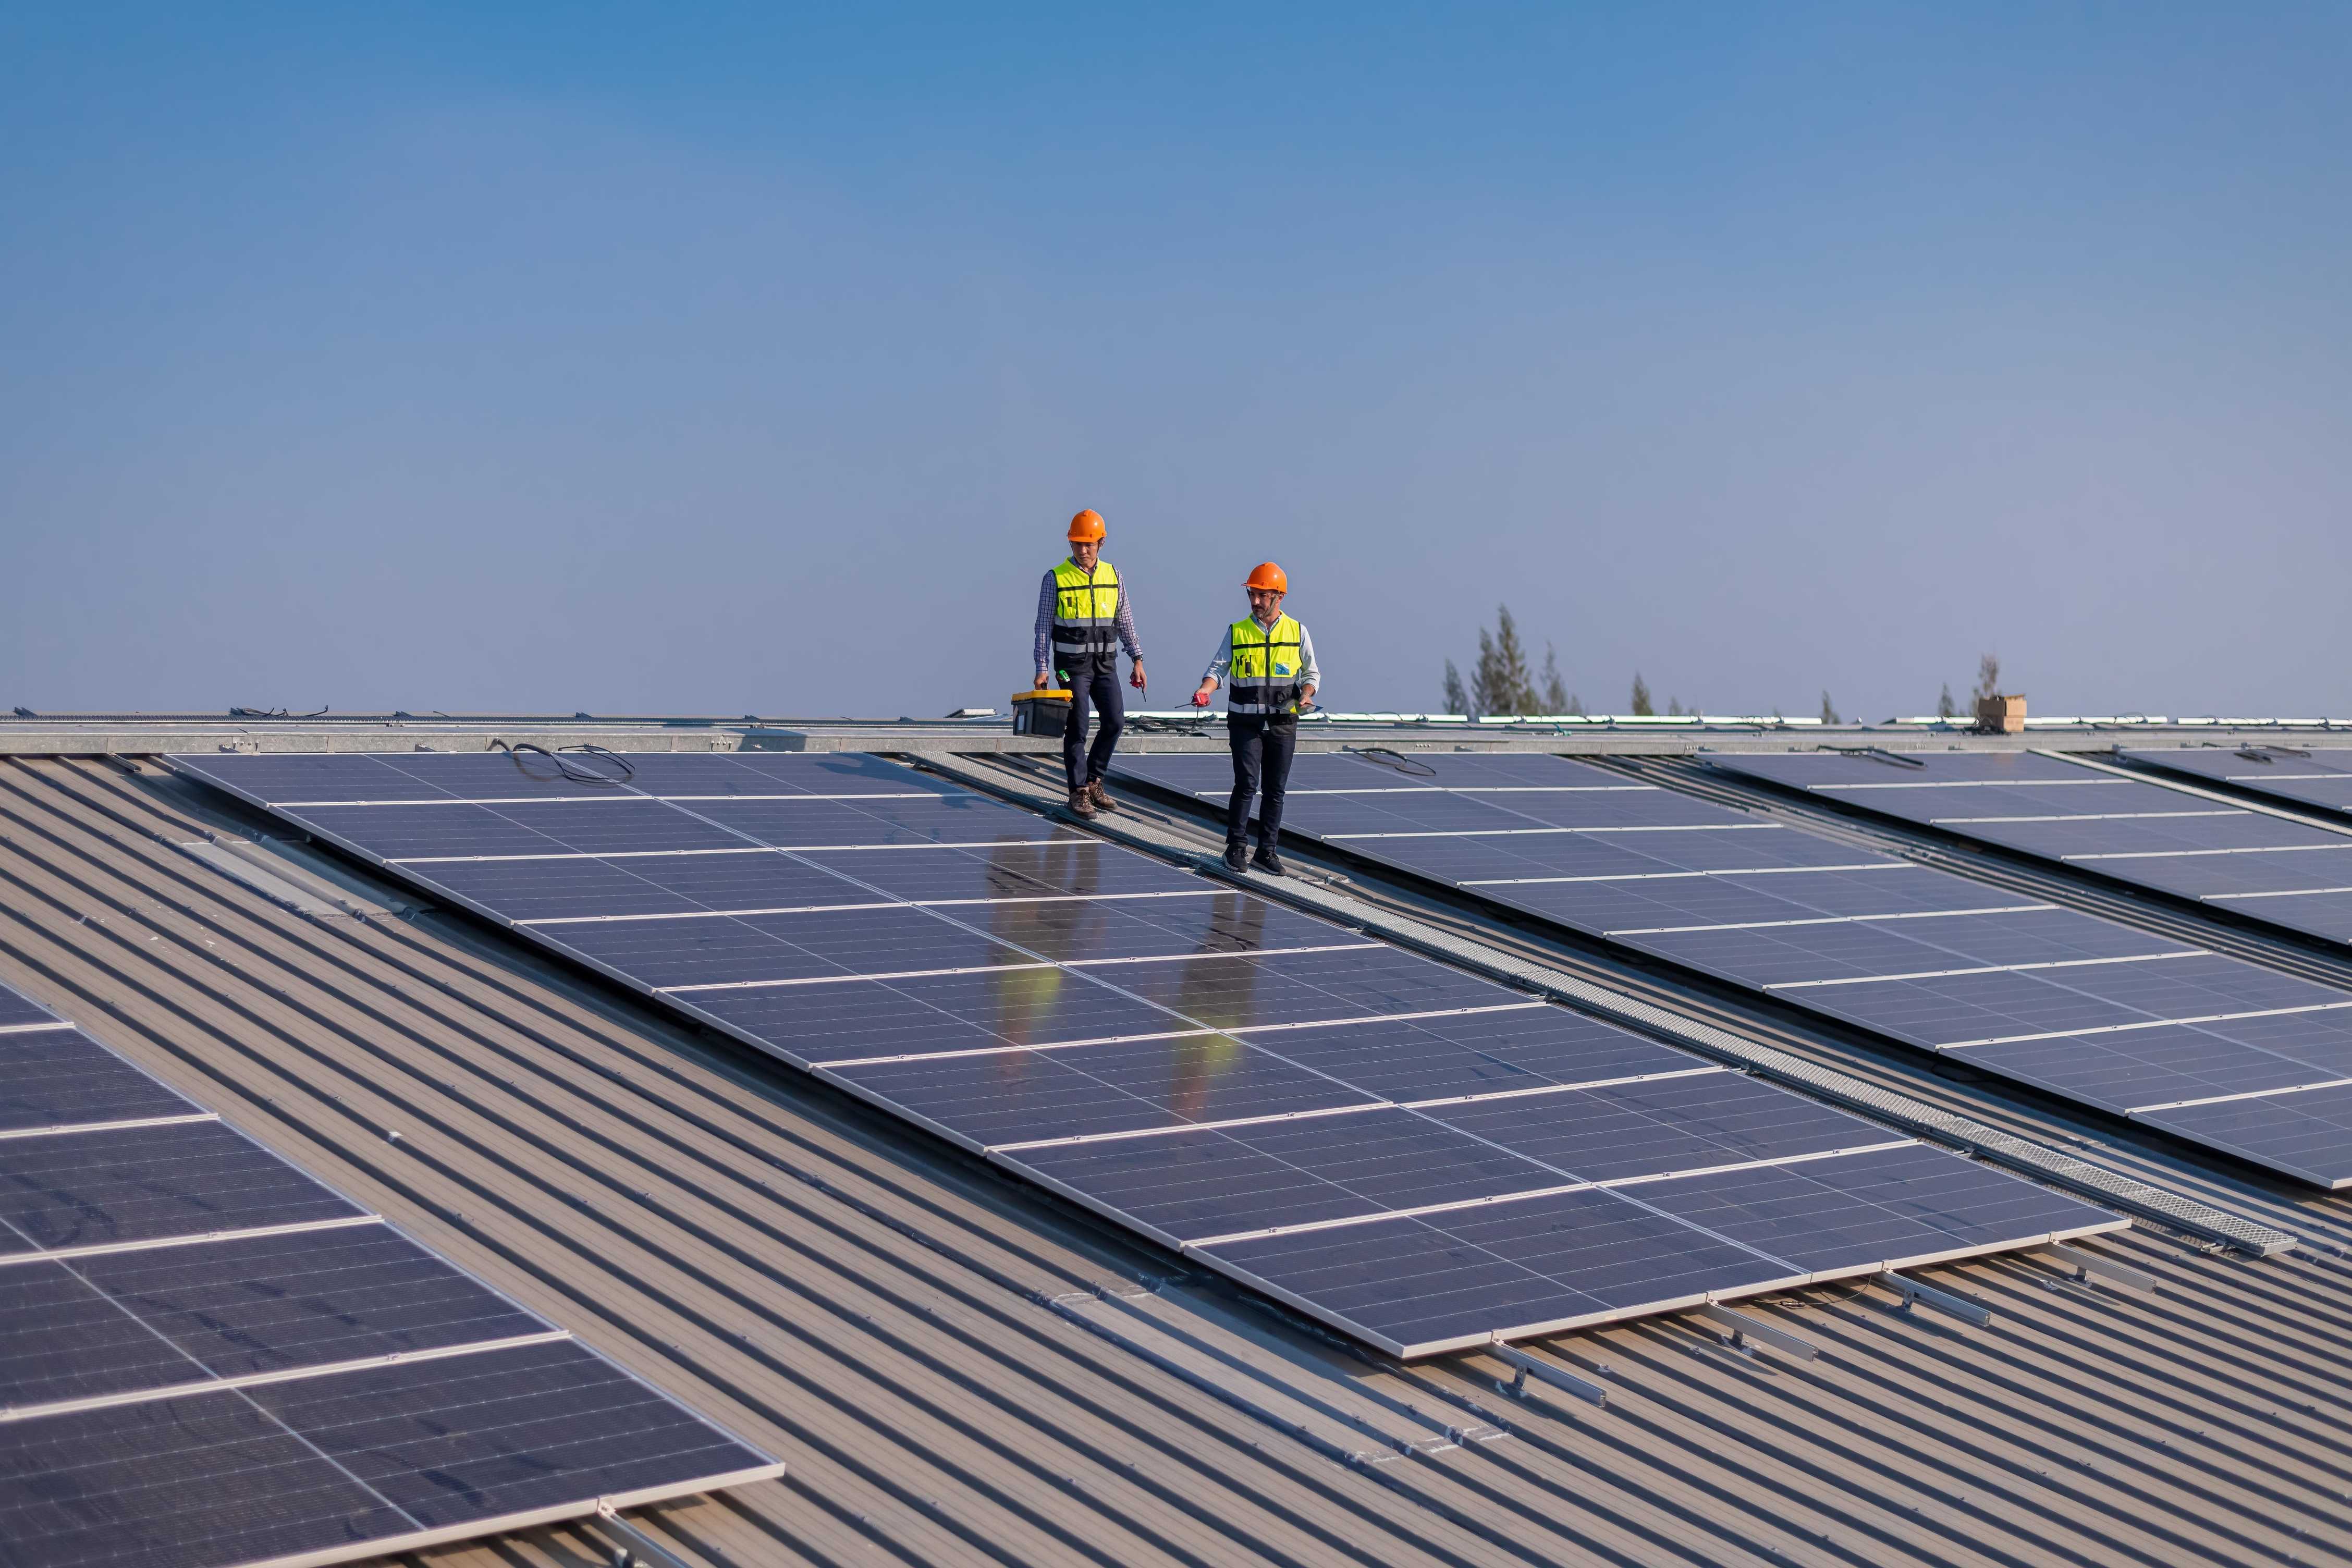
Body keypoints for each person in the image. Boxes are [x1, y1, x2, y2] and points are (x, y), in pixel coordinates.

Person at [1191, 561, 1319, 874]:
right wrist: (1205, 689)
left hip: (1283, 724)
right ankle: (1236, 848)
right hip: (1245, 723)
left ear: (1279, 597)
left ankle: (1267, 852)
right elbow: (1217, 670)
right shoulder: (1237, 631)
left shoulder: (1298, 631)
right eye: (1253, 594)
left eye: (1262, 595)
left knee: (1276, 790)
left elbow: (1311, 672)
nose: (1256, 601)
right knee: (1247, 784)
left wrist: (1307, 693)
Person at [1034, 508, 1145, 817]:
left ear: (1101, 543)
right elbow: (1043, 626)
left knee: (1115, 721)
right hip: (1070, 666)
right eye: (1078, 544)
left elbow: (1125, 619)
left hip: (1105, 664)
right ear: (1070, 543)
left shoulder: (1114, 575)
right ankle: (1078, 791)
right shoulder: (1054, 577)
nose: (1084, 550)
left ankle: (1095, 781)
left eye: (1090, 544)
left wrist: (1136, 657)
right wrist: (1042, 667)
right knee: (1079, 723)